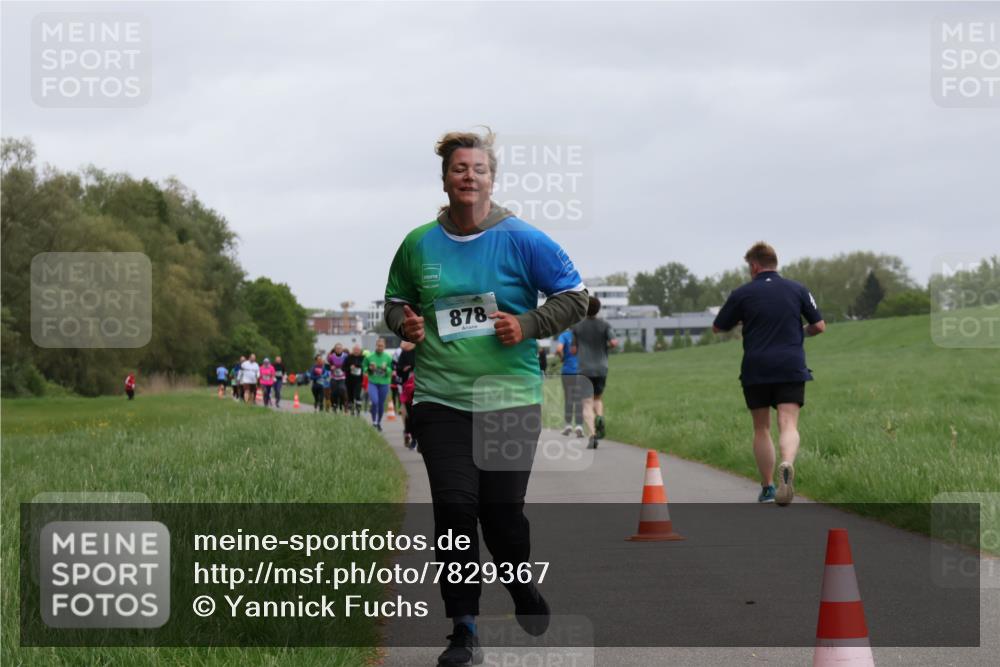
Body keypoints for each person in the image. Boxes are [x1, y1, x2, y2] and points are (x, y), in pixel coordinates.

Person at [383, 129, 587, 667]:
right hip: (440, 399)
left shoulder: (523, 239)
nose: (468, 176)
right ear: (445, 179)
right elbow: (395, 302)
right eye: (459, 169)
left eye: (478, 169)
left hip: (509, 398)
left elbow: (576, 296)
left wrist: (527, 323)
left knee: (501, 516)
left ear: (492, 179)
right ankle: (463, 629)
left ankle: (519, 584)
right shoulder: (418, 243)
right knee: (455, 509)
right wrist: (404, 323)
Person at [712, 241, 825, 506]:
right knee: (788, 423)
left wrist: (745, 320)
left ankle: (768, 488)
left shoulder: (742, 293)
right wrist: (799, 332)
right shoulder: (798, 289)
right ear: (774, 263)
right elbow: (819, 326)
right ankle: (787, 463)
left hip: (757, 367)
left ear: (754, 266)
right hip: (790, 364)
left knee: (761, 428)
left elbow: (718, 327)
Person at [572, 296, 619, 449]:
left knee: (586, 402)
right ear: (598, 309)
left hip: (584, 369)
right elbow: (614, 343)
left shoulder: (577, 327)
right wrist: (605, 347)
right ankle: (599, 417)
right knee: (597, 398)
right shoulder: (605, 325)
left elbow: (573, 350)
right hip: (601, 368)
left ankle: (592, 435)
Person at [555, 328, 584, 438]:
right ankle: (579, 426)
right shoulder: (582, 335)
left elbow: (559, 349)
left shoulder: (564, 335)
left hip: (567, 371)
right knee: (579, 399)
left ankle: (568, 425)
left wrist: (562, 358)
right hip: (580, 371)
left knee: (568, 398)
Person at [366, 337, 393, 430]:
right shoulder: (369, 357)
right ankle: (374, 421)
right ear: (376, 346)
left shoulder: (388, 357)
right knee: (375, 401)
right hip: (372, 382)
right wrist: (370, 368)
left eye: (382, 346)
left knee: (381, 404)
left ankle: (378, 422)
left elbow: (391, 371)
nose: (380, 347)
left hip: (384, 383)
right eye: (378, 346)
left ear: (384, 346)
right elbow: (364, 368)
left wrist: (386, 369)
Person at [396, 340, 417, 448]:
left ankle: (416, 437)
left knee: (419, 414)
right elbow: (398, 369)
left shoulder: (423, 350)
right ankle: (411, 436)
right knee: (410, 414)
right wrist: (405, 369)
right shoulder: (405, 352)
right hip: (408, 388)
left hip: (423, 387)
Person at [345, 345, 367, 416]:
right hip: (349, 380)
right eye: (355, 350)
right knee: (350, 396)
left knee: (357, 395)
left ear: (360, 351)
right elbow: (343, 368)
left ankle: (358, 409)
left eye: (358, 350)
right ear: (353, 350)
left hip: (359, 380)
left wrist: (358, 366)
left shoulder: (363, 358)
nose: (356, 351)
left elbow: (365, 366)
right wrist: (349, 368)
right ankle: (352, 410)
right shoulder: (348, 358)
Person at [327, 344, 349, 413]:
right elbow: (328, 365)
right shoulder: (331, 357)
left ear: (342, 349)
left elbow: (349, 364)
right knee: (333, 393)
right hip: (334, 377)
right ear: (335, 349)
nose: (338, 350)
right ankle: (334, 405)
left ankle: (344, 404)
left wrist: (344, 368)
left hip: (343, 377)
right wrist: (331, 367)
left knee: (342, 389)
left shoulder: (346, 356)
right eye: (337, 348)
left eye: (340, 348)